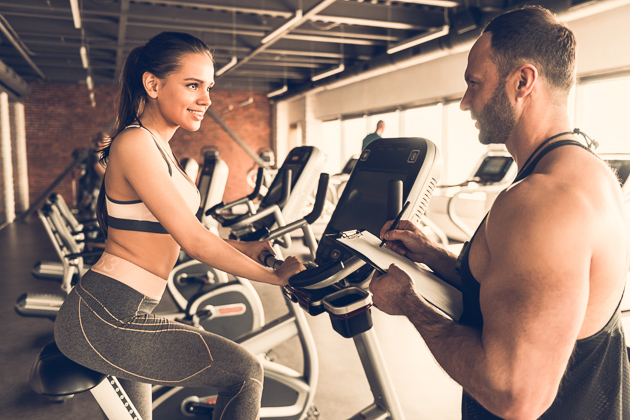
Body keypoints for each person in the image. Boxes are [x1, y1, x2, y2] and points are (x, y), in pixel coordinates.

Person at [370, 6, 629, 420]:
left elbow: (514, 394)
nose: (464, 102)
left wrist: (408, 303)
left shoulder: (542, 201)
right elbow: (520, 293)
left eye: (475, 83)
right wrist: (434, 255)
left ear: (523, 81)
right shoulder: (589, 172)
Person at [54, 32, 305, 420]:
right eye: (193, 85)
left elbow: (192, 233)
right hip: (108, 317)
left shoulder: (159, 145)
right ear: (153, 84)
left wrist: (247, 249)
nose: (206, 99)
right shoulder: (135, 144)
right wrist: (276, 279)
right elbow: (195, 241)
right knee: (244, 373)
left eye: (209, 86)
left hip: (124, 312)